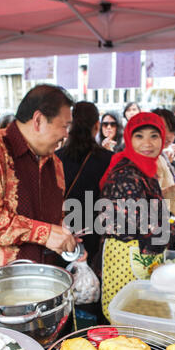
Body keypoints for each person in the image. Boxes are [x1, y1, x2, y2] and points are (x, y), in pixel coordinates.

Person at [98, 112, 175, 321]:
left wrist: (174, 223)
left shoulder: (144, 169)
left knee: (142, 318)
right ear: (129, 139)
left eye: (154, 136)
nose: (147, 143)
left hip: (141, 257)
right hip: (126, 258)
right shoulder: (126, 174)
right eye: (139, 136)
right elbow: (148, 230)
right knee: (127, 322)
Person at [0, 84, 81, 280]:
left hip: (43, 281)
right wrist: (45, 233)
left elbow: (54, 215)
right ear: (38, 120)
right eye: (64, 126)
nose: (66, 135)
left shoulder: (55, 164)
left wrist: (63, 235)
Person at [56, 101, 113, 266]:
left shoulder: (56, 158)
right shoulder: (109, 159)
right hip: (98, 236)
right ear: (97, 125)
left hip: (62, 236)